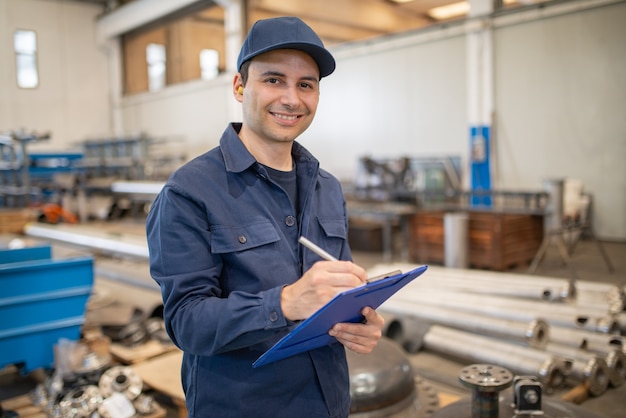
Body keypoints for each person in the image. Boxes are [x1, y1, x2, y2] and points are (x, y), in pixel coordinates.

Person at [146, 16, 384, 418]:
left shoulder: (326, 187)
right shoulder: (189, 192)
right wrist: (286, 302)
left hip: (328, 402)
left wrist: (360, 321)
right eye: (273, 80)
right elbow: (186, 322)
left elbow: (335, 290)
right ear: (240, 87)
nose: (291, 98)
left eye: (305, 84)